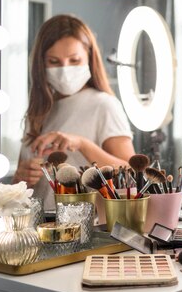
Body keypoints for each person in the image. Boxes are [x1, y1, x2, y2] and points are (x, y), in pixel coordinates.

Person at [12, 15, 134, 209]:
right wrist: (21, 178)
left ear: (89, 58)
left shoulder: (104, 105)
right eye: (54, 61)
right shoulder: (37, 112)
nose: (65, 69)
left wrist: (82, 144)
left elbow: (131, 173)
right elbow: (21, 189)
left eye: (74, 60)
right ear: (41, 64)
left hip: (86, 229)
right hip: (38, 229)